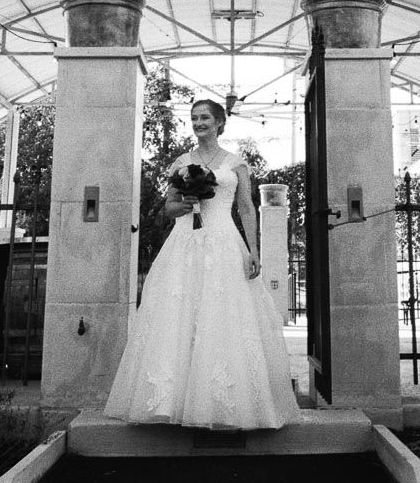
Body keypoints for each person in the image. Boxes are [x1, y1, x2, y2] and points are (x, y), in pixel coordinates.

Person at [104, 98, 299, 430]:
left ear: (219, 122)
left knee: (222, 317)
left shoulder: (236, 164)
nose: (199, 123)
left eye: (205, 117)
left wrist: (254, 251)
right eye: (194, 118)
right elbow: (168, 207)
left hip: (223, 242)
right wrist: (185, 203)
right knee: (176, 318)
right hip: (185, 243)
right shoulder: (181, 161)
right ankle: (171, 402)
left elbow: (247, 209)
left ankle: (224, 405)